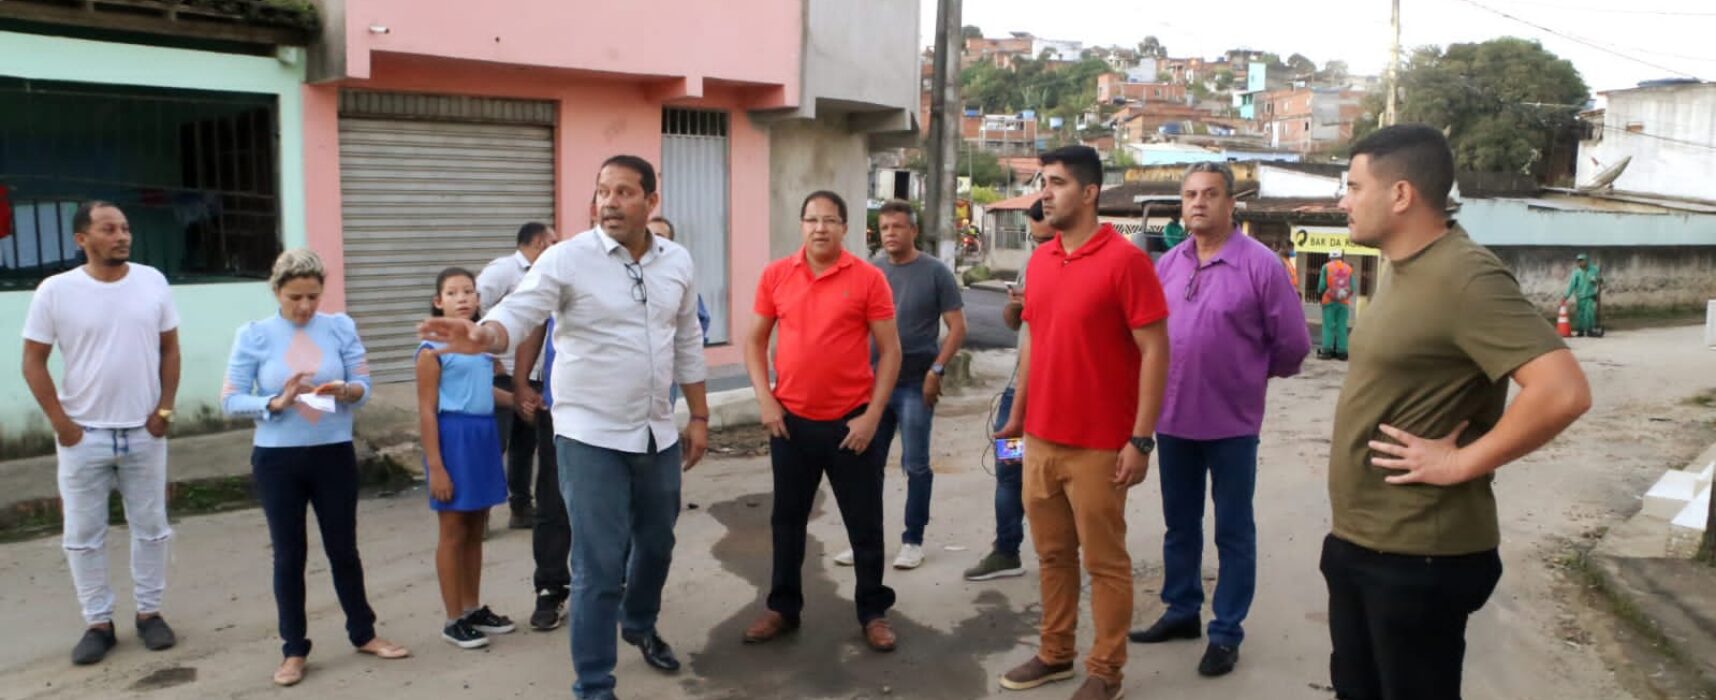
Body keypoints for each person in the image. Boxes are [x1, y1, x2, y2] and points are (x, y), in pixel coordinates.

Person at [421, 155, 711, 700]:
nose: (609, 202)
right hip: (588, 433)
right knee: (598, 562)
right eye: (602, 191)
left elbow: (688, 339)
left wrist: (697, 414)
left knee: (657, 544)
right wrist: (484, 334)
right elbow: (520, 311)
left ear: (651, 201)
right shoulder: (567, 259)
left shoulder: (677, 261)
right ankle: (594, 685)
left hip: (656, 429)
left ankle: (639, 623)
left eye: (624, 192)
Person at [1323, 124, 1591, 700]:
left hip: (1418, 554)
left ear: (1400, 194)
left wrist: (1460, 462)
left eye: (1354, 186)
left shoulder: (1467, 276)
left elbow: (1562, 390)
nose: (1343, 201)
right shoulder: (1404, 267)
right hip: (1362, 542)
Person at [993, 146, 1169, 700]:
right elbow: (1033, 342)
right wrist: (1016, 419)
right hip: (1039, 440)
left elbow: (1156, 351)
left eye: (1058, 183)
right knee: (1051, 555)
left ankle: (1106, 671)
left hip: (1099, 446)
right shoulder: (1043, 261)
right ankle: (1055, 653)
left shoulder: (1125, 262)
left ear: (1090, 193)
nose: (1045, 193)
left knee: (1105, 562)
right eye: (1043, 182)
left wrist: (1141, 440)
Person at [1127, 162, 1311, 677]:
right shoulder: (1169, 263)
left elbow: (1294, 345)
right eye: (1190, 195)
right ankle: (1182, 610)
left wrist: (1249, 374)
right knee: (1179, 525)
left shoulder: (1261, 265)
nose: (1198, 203)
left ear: (1231, 203)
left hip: (1232, 424)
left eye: (1210, 194)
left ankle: (1226, 632)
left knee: (1233, 531)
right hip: (1173, 420)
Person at [220, 248, 410, 685]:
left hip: (333, 453)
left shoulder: (340, 327)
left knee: (343, 549)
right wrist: (275, 402)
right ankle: (294, 649)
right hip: (277, 459)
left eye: (313, 296)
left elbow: (364, 384)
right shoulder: (255, 335)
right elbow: (230, 399)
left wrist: (347, 391)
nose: (305, 306)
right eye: (295, 298)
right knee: (289, 555)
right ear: (277, 292)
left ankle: (364, 633)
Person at [740, 190, 904, 654]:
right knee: (787, 522)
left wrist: (872, 416)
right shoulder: (776, 275)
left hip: (852, 425)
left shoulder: (868, 278)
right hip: (791, 423)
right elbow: (754, 342)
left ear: (845, 227)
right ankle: (783, 607)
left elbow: (891, 351)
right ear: (801, 225)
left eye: (830, 220)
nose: (820, 228)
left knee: (865, 523)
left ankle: (872, 611)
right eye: (812, 219)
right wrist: (766, 400)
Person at [21, 201, 181, 666]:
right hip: (83, 435)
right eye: (108, 229)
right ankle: (98, 623)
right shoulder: (56, 291)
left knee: (151, 528)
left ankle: (150, 614)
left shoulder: (152, 281)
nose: (122, 236)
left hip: (144, 431)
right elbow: (33, 361)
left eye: (125, 228)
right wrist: (61, 424)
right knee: (82, 534)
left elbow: (170, 349)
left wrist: (164, 410)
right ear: (82, 239)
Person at [831, 199, 965, 570]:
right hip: (872, 386)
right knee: (866, 465)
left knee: (916, 465)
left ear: (913, 231)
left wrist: (936, 370)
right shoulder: (871, 272)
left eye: (898, 227)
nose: (890, 233)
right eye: (885, 228)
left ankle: (913, 540)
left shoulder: (935, 272)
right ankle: (864, 541)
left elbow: (957, 328)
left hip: (915, 385)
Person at [417, 267, 515, 650]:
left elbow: (483, 391)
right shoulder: (432, 351)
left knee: (476, 526)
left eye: (469, 291)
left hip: (482, 436)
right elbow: (427, 411)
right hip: (452, 439)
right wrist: (436, 466)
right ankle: (453, 618)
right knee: (453, 530)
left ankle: (473, 608)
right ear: (438, 301)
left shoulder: (480, 346)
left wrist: (520, 401)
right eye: (453, 292)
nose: (462, 298)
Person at [964, 198, 1055, 582]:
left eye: (1047, 240)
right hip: (1017, 393)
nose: (1040, 248)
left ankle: (1061, 557)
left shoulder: (1083, 267)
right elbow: (1013, 322)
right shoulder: (1032, 264)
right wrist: (1017, 306)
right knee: (1008, 468)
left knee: (1058, 480)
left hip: (1059, 397)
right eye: (1035, 240)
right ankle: (1006, 550)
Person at [477, 222, 557, 529]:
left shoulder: (549, 274)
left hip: (533, 374)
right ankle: (480, 513)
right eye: (552, 242)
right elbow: (472, 306)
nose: (556, 248)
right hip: (502, 373)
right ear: (539, 242)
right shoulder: (504, 270)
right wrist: (486, 355)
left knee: (526, 444)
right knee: (495, 443)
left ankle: (521, 507)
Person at [646, 216, 711, 341]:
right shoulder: (630, 273)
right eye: (648, 236)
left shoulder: (679, 277)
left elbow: (699, 322)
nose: (653, 241)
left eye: (659, 237)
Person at [1317, 250, 1354, 360]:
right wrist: (1344, 296)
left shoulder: (1326, 267)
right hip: (1343, 302)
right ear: (1341, 257)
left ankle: (1327, 351)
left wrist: (1321, 295)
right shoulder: (1348, 268)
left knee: (1328, 326)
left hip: (1329, 301)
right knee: (1341, 326)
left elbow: (1322, 286)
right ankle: (1342, 352)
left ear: (1330, 257)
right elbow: (1352, 287)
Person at [1564, 253, 1602, 337]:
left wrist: (1597, 280)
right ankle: (1580, 330)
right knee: (1580, 314)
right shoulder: (1576, 273)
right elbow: (1572, 285)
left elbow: (1600, 280)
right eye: (1578, 261)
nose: (1580, 263)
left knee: (1589, 313)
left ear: (1586, 261)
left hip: (1590, 295)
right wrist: (1566, 296)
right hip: (1580, 296)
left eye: (1582, 261)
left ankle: (1589, 330)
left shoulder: (1594, 270)